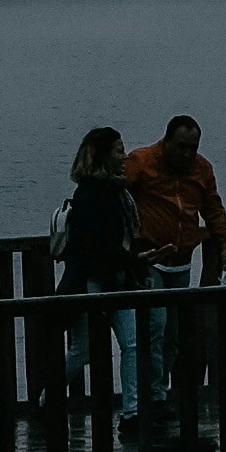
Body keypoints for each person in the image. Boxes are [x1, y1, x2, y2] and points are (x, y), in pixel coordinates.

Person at [121, 114, 226, 426]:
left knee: (172, 336)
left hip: (182, 262)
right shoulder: (141, 162)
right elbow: (114, 193)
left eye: (193, 148)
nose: (187, 154)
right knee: (154, 327)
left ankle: (159, 390)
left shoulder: (202, 168)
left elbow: (213, 208)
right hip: (150, 259)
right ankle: (153, 397)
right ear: (166, 141)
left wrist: (225, 245)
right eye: (182, 147)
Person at [54, 125, 139, 411]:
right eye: (119, 150)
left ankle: (132, 410)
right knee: (84, 349)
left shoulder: (112, 190)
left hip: (112, 278)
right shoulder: (91, 193)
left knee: (130, 343)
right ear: (104, 156)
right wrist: (133, 261)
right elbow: (97, 241)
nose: (124, 156)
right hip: (92, 279)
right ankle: (46, 398)